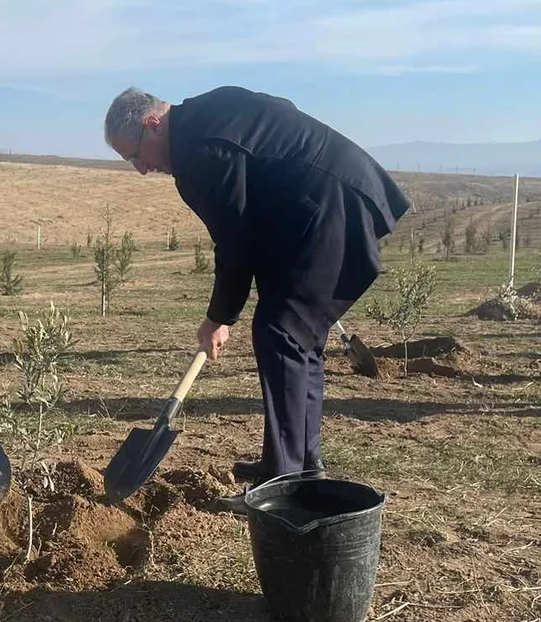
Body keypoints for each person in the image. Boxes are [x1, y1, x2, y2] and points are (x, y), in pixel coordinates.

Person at [103, 86, 410, 506]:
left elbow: (234, 238)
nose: (141, 169)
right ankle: (296, 463)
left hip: (329, 207)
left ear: (153, 123)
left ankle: (283, 489)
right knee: (295, 337)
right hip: (324, 205)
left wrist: (219, 317)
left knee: (281, 333)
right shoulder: (205, 116)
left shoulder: (201, 149)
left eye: (136, 154)